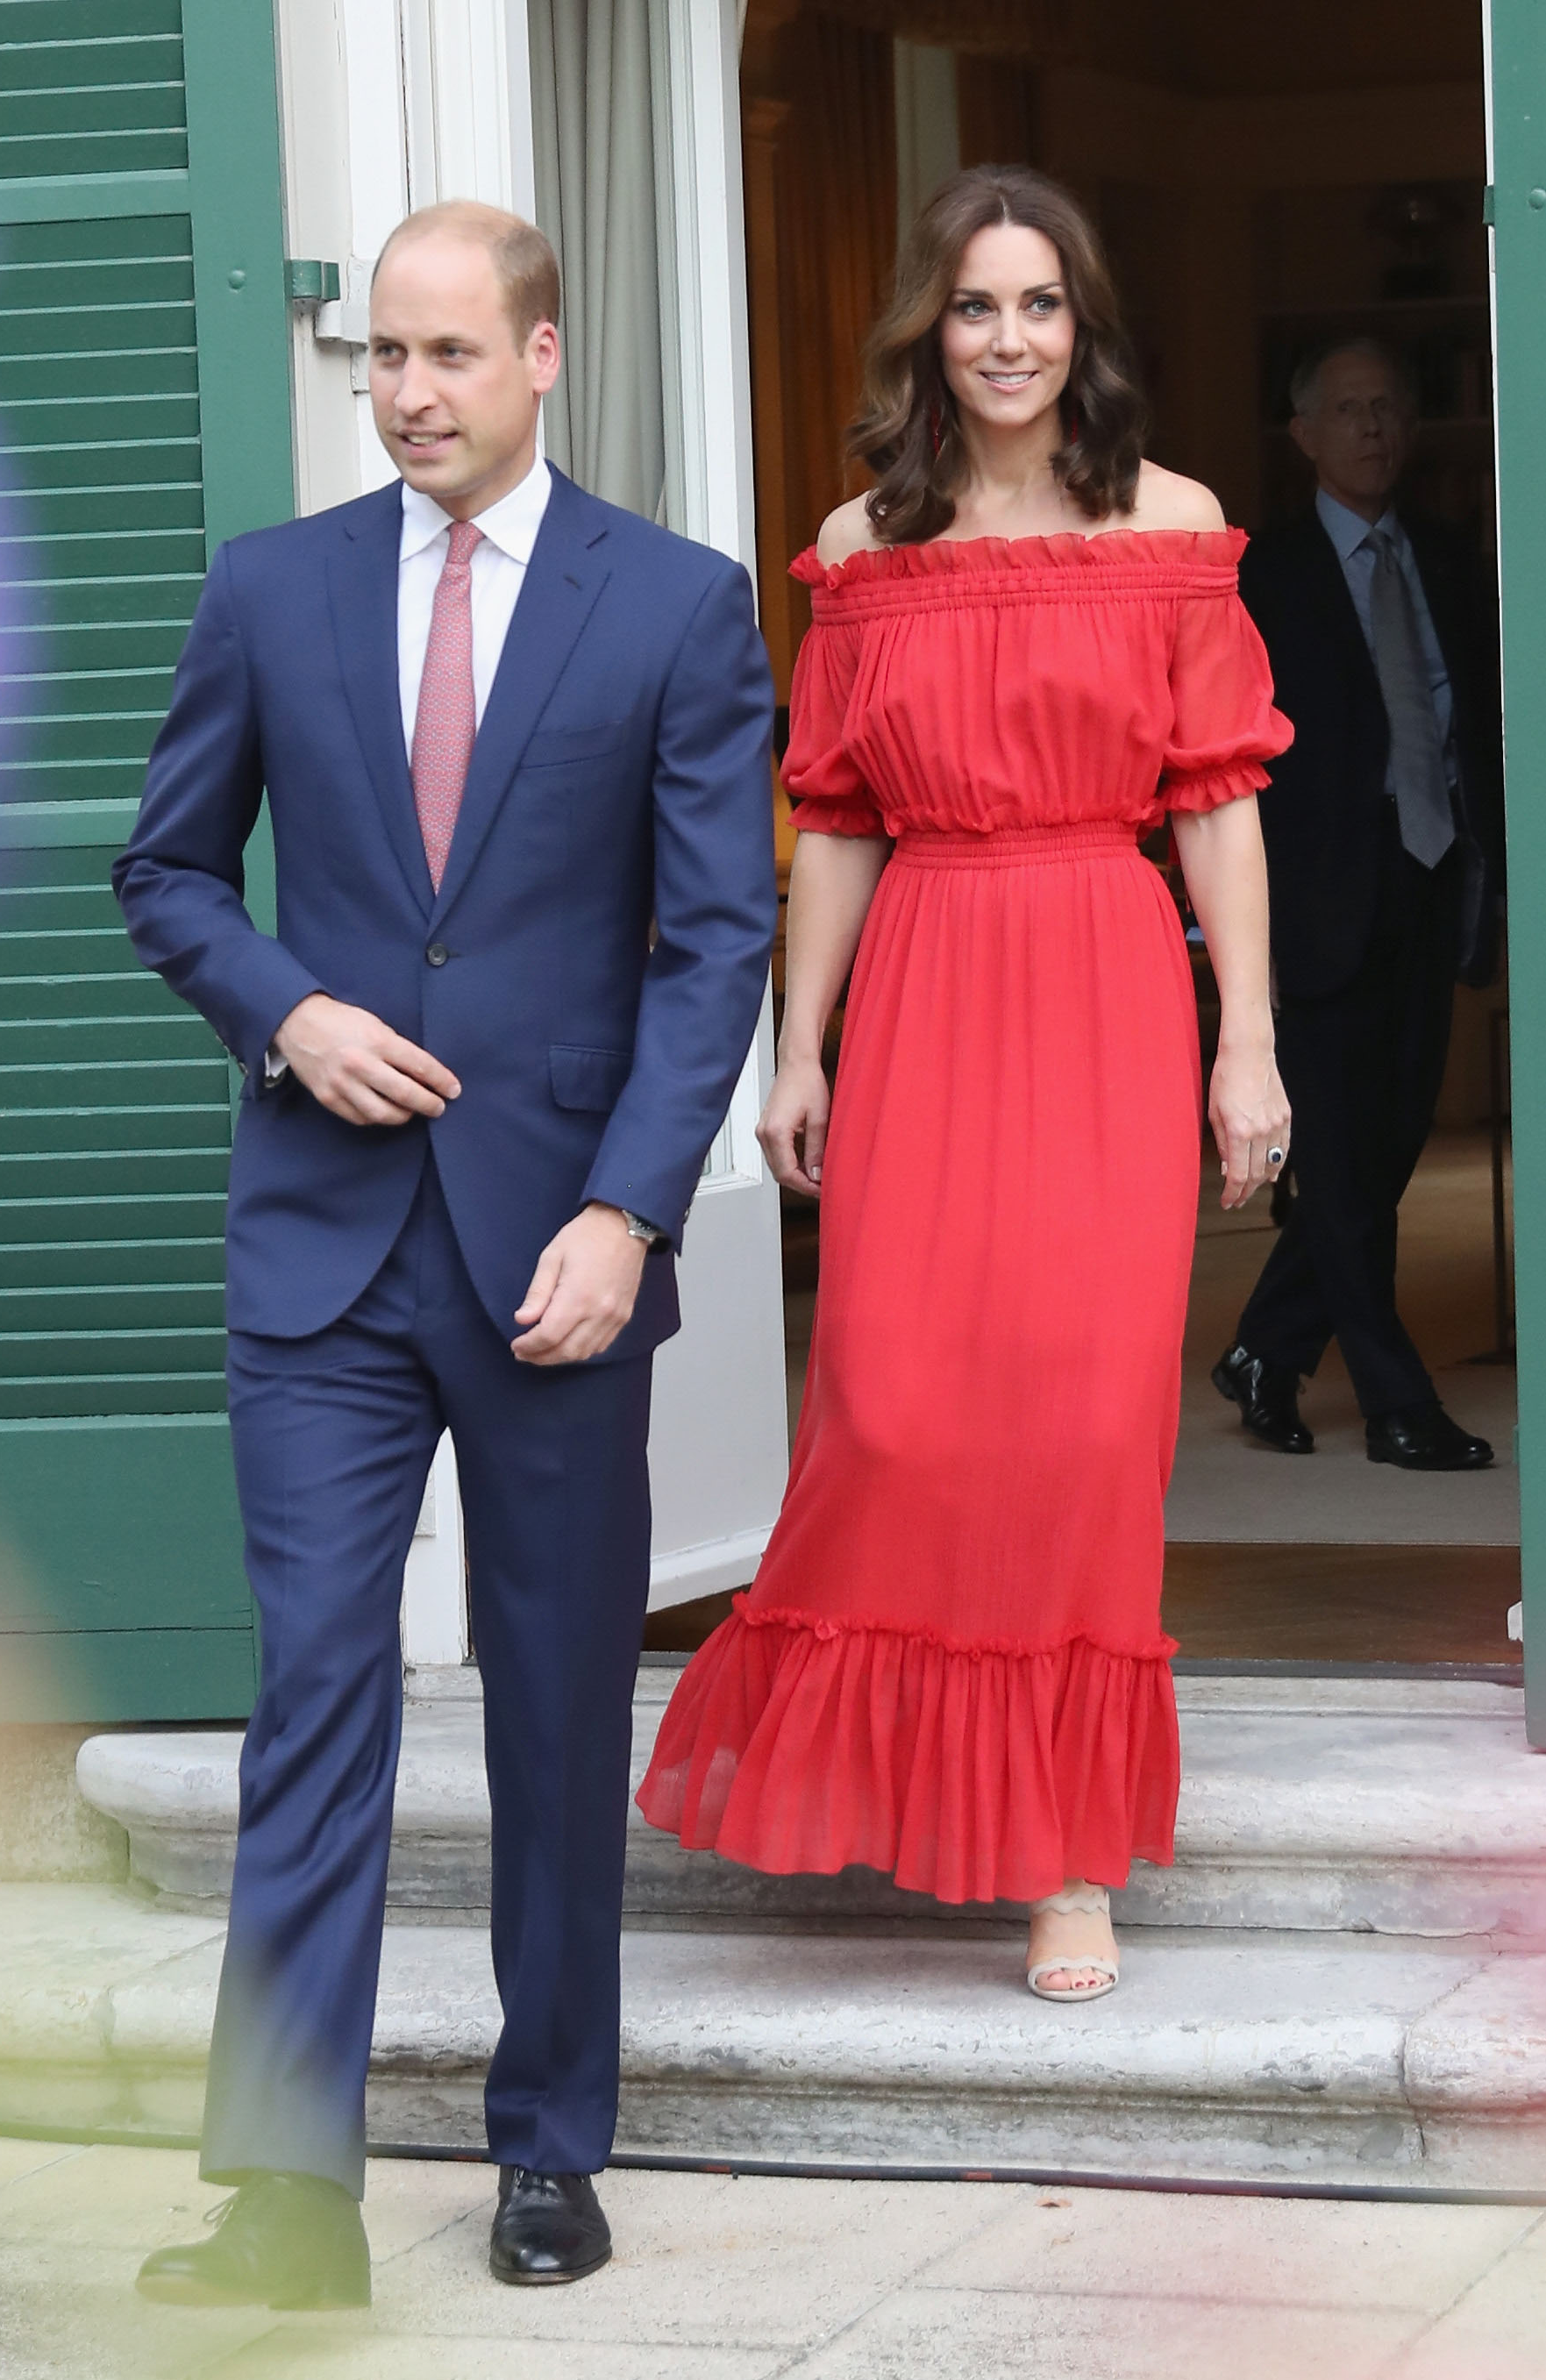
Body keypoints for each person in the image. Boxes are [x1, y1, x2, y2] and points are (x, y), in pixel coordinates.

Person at [114, 201, 774, 2301]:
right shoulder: (269, 591)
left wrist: (627, 1206)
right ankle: (287, 2194)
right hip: (318, 1257)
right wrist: (283, 1008)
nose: (404, 394)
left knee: (563, 1705)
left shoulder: (673, 608)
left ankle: (548, 2145)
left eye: (446, 357)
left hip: (554, 1260)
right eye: (379, 358)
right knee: (316, 1696)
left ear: (544, 357)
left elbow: (713, 947)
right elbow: (168, 870)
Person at [638, 165, 1292, 2000]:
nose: (1007, 340)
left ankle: (1061, 1858)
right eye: (976, 307)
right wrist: (796, 1040)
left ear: (1080, 333)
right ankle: (889, 1780)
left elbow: (1219, 801)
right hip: (924, 981)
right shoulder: (861, 548)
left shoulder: (1170, 525)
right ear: (929, 330)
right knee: (900, 1405)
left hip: (1099, 966)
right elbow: (832, 818)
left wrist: (1242, 1044)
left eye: (1039, 307)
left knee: (1082, 1426)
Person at [1212, 338, 1503, 1469]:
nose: (1374, 427)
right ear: (1305, 436)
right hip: (1317, 892)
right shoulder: (1260, 575)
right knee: (1336, 1159)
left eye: (1389, 406)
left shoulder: (1452, 555)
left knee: (1382, 1151)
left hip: (1433, 873)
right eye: (1349, 409)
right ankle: (1396, 1402)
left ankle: (1265, 1352)